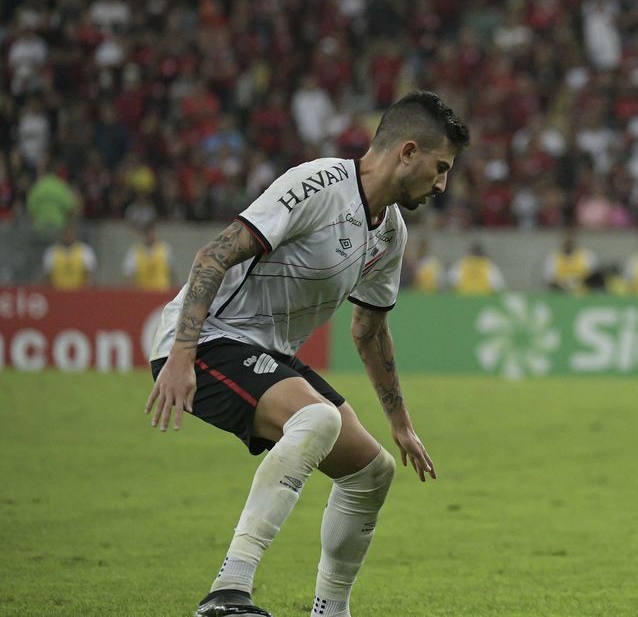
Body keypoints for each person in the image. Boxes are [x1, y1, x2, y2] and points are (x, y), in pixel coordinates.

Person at [144, 91, 470, 617]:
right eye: (440, 168)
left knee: (372, 472)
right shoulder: (315, 185)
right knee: (316, 419)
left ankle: (330, 611)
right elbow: (214, 255)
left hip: (266, 352)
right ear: (407, 152)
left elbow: (368, 331)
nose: (442, 185)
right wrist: (182, 354)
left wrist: (401, 423)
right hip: (207, 337)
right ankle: (228, 594)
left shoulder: (390, 230)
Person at [122, 221, 174, 291]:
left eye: (153, 232)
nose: (151, 235)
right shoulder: (135, 251)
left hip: (162, 292)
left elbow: (171, 273)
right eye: (148, 233)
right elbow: (128, 275)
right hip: (142, 294)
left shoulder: (165, 249)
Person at [43, 222, 96, 290]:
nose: (67, 236)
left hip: (78, 292)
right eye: (65, 234)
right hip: (57, 291)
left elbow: (89, 275)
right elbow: (47, 275)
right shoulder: (51, 251)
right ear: (61, 235)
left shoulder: (85, 250)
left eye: (70, 234)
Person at [543, 229, 596, 294]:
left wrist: (577, 282)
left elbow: (593, 278)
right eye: (565, 241)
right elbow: (549, 280)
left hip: (583, 295)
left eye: (570, 240)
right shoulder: (553, 258)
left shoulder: (587, 256)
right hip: (561, 295)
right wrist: (564, 285)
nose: (568, 243)